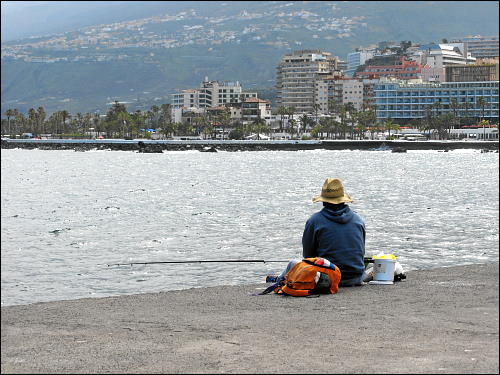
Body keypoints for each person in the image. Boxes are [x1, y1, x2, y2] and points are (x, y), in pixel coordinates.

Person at [272, 178, 366, 287]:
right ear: (343, 200)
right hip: (356, 278)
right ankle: (279, 278)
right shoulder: (358, 220)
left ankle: (278, 280)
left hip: (327, 279)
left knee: (292, 263)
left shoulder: (315, 221)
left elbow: (308, 256)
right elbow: (360, 251)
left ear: (324, 201)